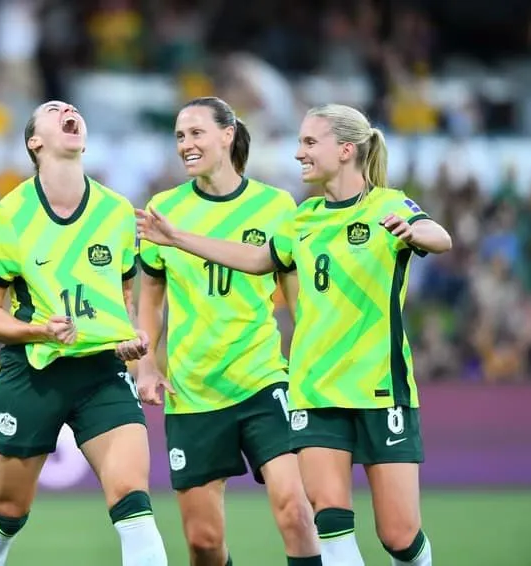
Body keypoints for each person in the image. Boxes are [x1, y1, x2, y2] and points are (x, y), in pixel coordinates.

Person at [136, 103, 452, 566]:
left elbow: (438, 235)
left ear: (346, 150)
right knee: (328, 520)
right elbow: (255, 258)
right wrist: (179, 238)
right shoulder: (301, 219)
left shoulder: (387, 205)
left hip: (379, 387)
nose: (298, 152)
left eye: (309, 143)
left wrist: (417, 232)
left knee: (398, 535)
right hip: (313, 390)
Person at [0, 100, 168, 566]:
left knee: (133, 501)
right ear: (35, 142)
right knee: (7, 512)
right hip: (33, 373)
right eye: (53, 110)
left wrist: (134, 345)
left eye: (71, 109)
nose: (68, 111)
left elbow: (124, 300)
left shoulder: (117, 211)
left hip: (101, 372)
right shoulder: (10, 214)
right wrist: (40, 331)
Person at [136, 97, 320, 566]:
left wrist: (312, 363)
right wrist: (148, 363)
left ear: (228, 134)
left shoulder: (276, 206)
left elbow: (298, 299)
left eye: (196, 133)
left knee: (296, 511)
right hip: (193, 391)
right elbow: (151, 295)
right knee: (203, 543)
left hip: (262, 380)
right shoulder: (165, 209)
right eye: (179, 136)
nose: (186, 144)